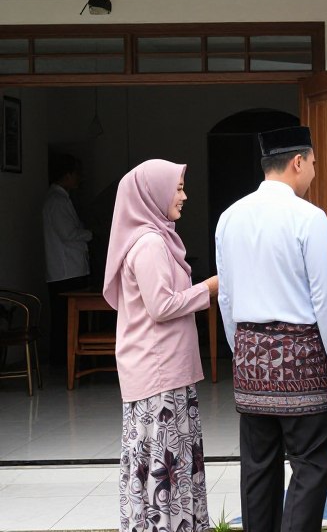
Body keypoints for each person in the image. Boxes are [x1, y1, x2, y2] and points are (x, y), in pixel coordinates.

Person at [215, 126, 327, 532]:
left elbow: (226, 297)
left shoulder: (229, 216)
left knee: (258, 465)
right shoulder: (308, 217)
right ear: (297, 162)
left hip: (251, 357)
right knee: (310, 462)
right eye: (312, 163)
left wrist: (242, 353)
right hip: (302, 359)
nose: (313, 171)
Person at [103, 159, 218, 532]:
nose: (183, 196)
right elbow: (162, 305)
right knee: (165, 465)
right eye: (178, 187)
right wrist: (210, 288)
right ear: (153, 193)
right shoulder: (150, 243)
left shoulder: (154, 237)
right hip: (159, 376)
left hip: (162, 371)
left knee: (167, 462)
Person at [43, 153, 92, 368]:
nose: (80, 178)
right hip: (66, 271)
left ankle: (68, 360)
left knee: (66, 318)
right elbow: (68, 233)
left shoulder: (61, 199)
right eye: (77, 173)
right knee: (65, 320)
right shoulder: (56, 201)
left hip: (67, 269)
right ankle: (64, 361)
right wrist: (91, 233)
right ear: (68, 174)